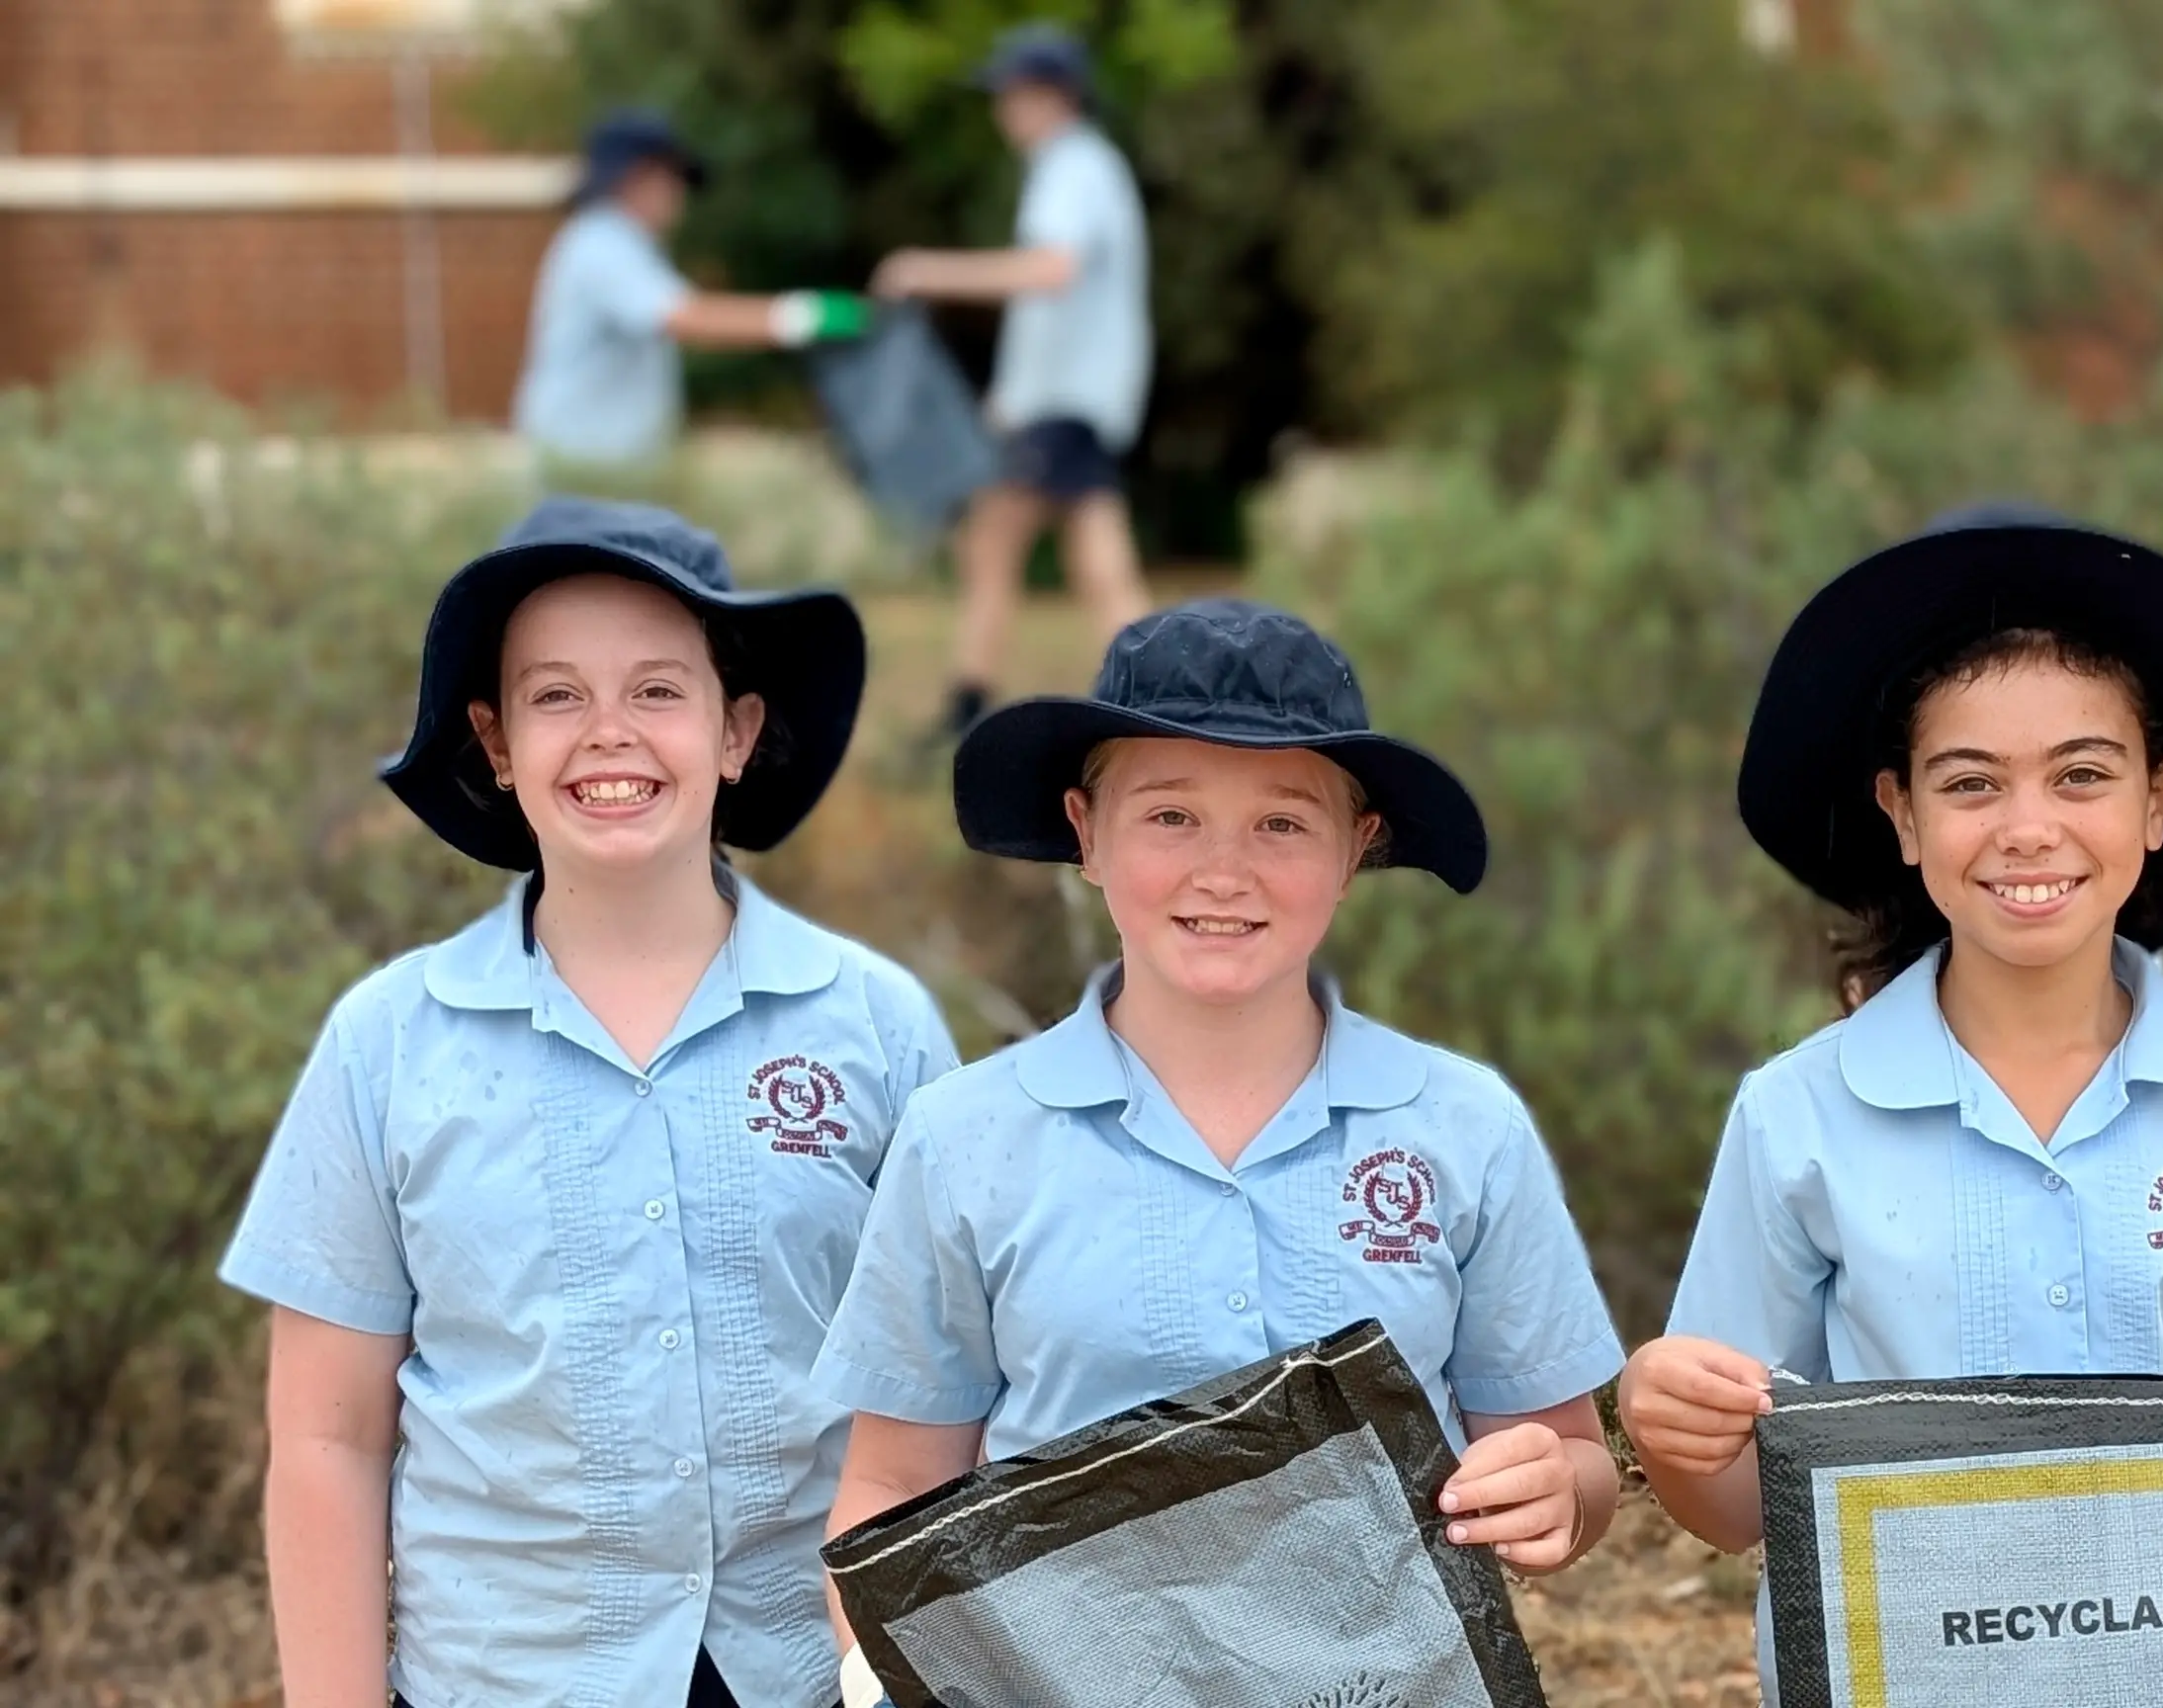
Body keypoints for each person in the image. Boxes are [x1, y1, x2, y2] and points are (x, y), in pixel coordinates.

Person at [1612, 508, 2163, 1699]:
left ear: (2159, 800)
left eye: (2083, 775)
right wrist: (1672, 1430)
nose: (2030, 828)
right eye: (1971, 783)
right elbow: (1736, 1511)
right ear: (1904, 814)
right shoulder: (1797, 1116)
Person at [218, 498, 960, 1708]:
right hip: (504, 1675)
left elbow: (946, 1404)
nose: (609, 734)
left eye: (660, 691)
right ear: (496, 743)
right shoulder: (389, 1046)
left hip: (805, 1673)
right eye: (555, 695)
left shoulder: (875, 1030)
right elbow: (326, 1441)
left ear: (739, 732)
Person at [812, 598, 1624, 1690]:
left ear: (1358, 846)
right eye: (1170, 817)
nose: (1224, 871)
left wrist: (1559, 1493)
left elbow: (1569, 1454)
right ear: (1085, 833)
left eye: (1284, 822)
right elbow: (893, 1487)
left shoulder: (1462, 1126)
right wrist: (878, 1674)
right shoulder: (965, 1138)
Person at [870, 23, 1155, 738]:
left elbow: (1051, 272)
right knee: (1093, 557)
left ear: (1051, 97)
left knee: (994, 540)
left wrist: (927, 270)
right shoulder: (1087, 167)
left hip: (1065, 402)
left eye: (1011, 93)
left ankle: (967, 713)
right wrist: (1010, 399)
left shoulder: (1072, 168)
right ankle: (1159, 697)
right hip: (1070, 400)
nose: (1002, 108)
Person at [511, 111, 872, 471]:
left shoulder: (622, 246)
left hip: (603, 472)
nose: (680, 197)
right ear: (637, 177)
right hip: (582, 470)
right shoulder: (603, 245)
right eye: (673, 180)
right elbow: (688, 317)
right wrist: (811, 316)